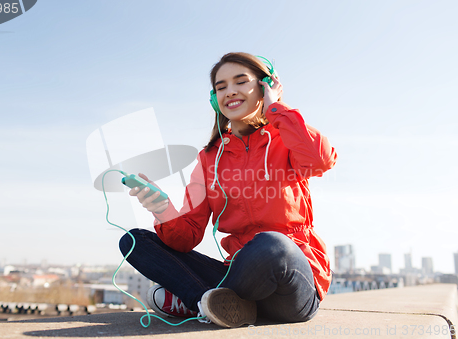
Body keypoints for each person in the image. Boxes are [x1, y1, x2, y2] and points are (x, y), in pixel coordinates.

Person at [119, 52, 337, 328]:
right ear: (214, 99)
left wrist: (277, 109)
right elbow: (186, 238)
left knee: (273, 245)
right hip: (238, 275)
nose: (229, 92)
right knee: (135, 241)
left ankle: (196, 300)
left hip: (290, 281)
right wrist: (162, 208)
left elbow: (320, 159)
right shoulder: (210, 158)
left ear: (265, 87)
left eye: (240, 82)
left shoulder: (286, 138)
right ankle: (208, 303)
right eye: (221, 87)